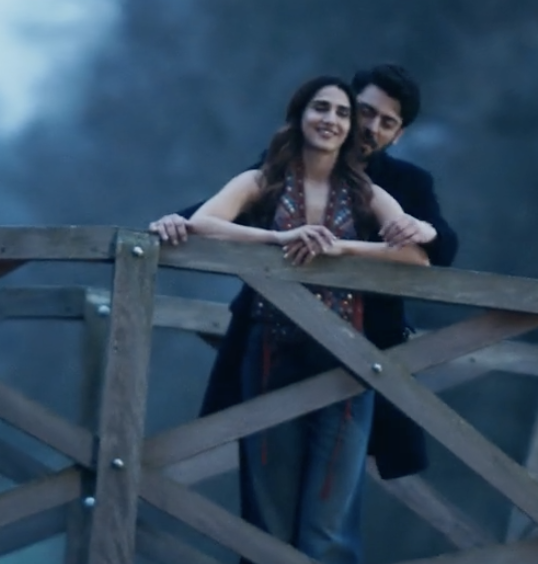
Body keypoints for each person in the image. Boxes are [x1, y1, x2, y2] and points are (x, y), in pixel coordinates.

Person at [150, 64, 459, 486]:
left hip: (364, 352)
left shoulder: (405, 182)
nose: (371, 128)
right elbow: (233, 207)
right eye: (365, 112)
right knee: (269, 480)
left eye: (387, 123)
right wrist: (178, 221)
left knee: (334, 491)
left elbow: (438, 249)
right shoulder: (291, 163)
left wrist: (425, 229)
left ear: (398, 134)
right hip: (272, 340)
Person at [175, 75, 430, 563]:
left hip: (347, 360)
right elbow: (204, 222)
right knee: (269, 512)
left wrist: (341, 249)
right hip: (270, 354)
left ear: (349, 128)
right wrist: (277, 240)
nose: (330, 119)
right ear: (299, 115)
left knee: (329, 521)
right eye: (320, 108)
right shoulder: (263, 180)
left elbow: (415, 255)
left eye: (341, 113)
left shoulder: (365, 190)